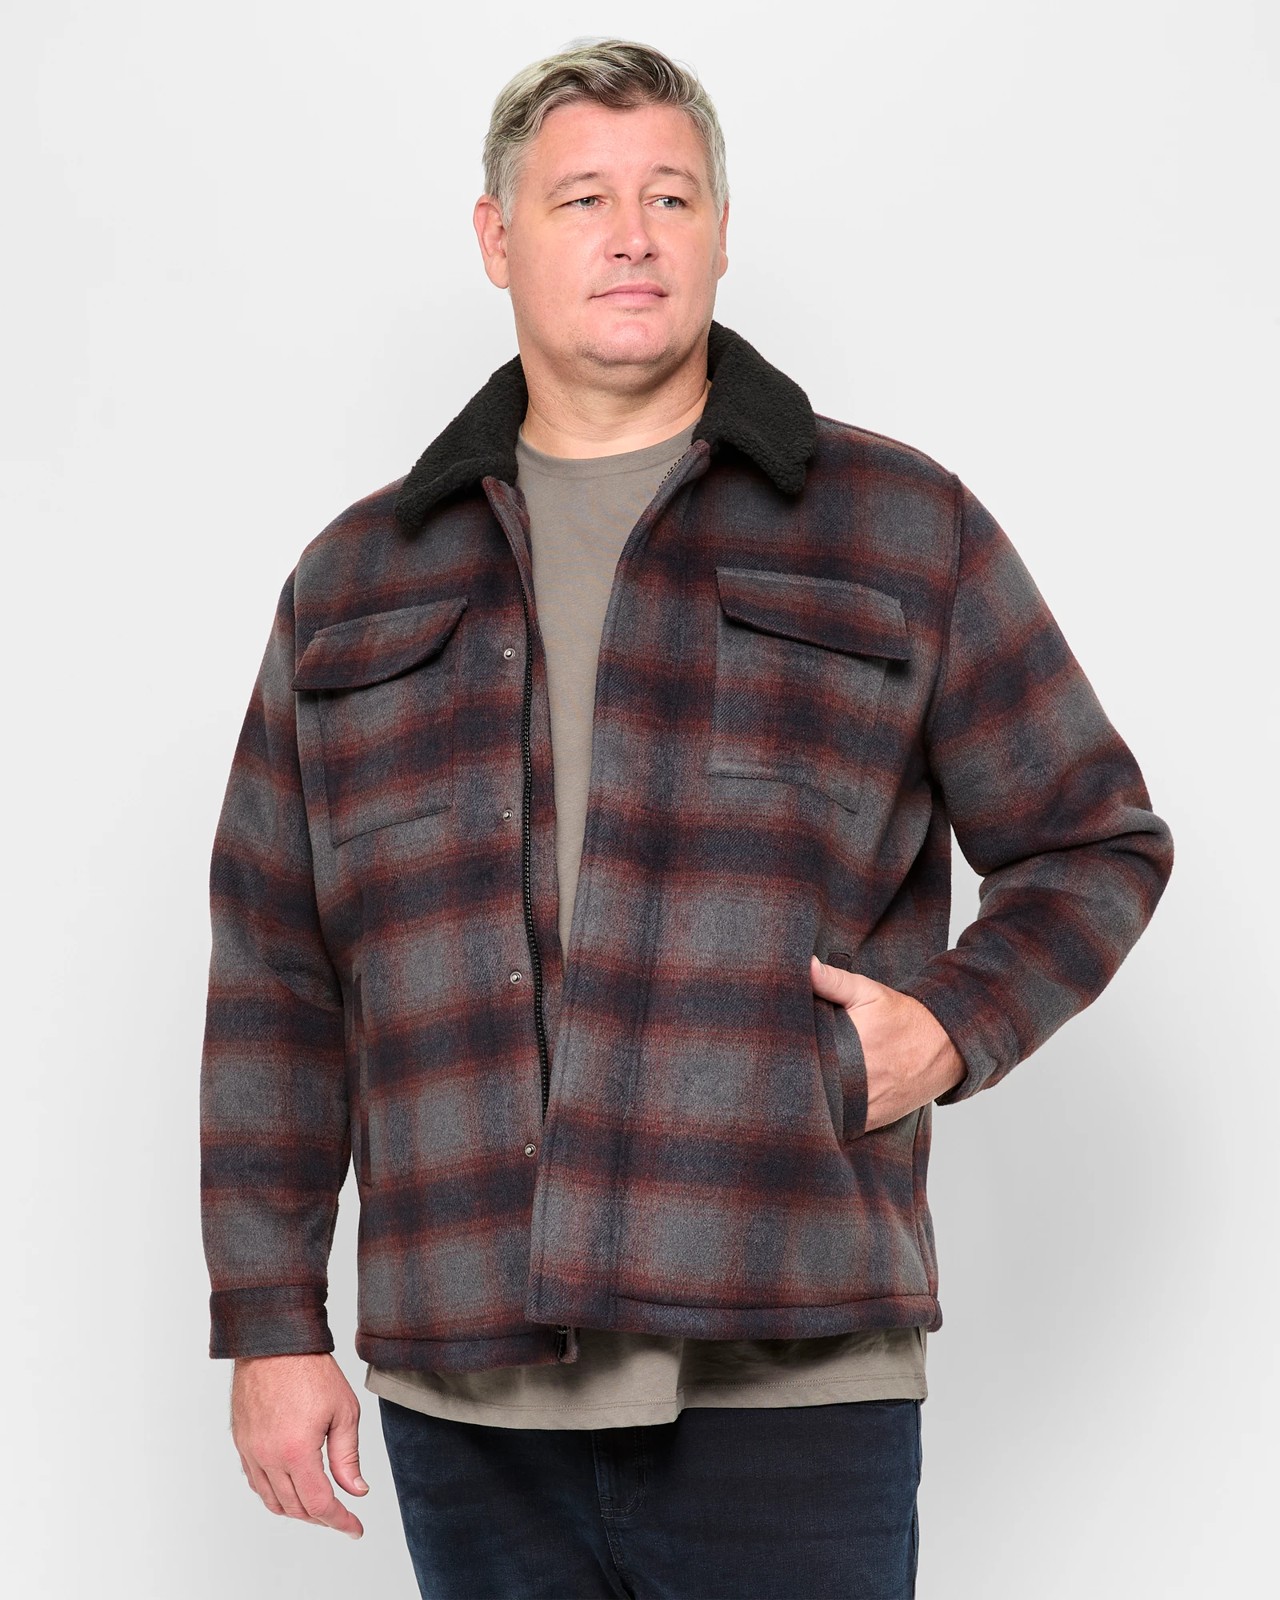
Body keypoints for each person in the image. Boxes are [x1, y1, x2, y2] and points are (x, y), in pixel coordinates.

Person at [199, 36, 1175, 1600]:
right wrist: (271, 1324)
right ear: (497, 238)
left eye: (671, 195)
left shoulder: (898, 527)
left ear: (722, 232)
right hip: (470, 1384)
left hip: (790, 1361)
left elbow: (1094, 840)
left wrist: (950, 1027)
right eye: (582, 198)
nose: (632, 235)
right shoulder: (357, 579)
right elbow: (275, 972)